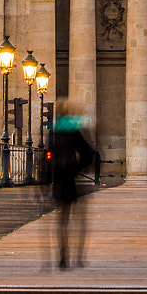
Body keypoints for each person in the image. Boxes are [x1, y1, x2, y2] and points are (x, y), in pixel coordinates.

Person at [46, 98, 97, 269]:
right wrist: (76, 168)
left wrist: (45, 180)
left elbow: (48, 155)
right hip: (70, 178)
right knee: (80, 220)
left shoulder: (52, 129)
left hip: (57, 179)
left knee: (62, 219)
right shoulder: (73, 129)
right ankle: (79, 256)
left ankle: (63, 255)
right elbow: (88, 153)